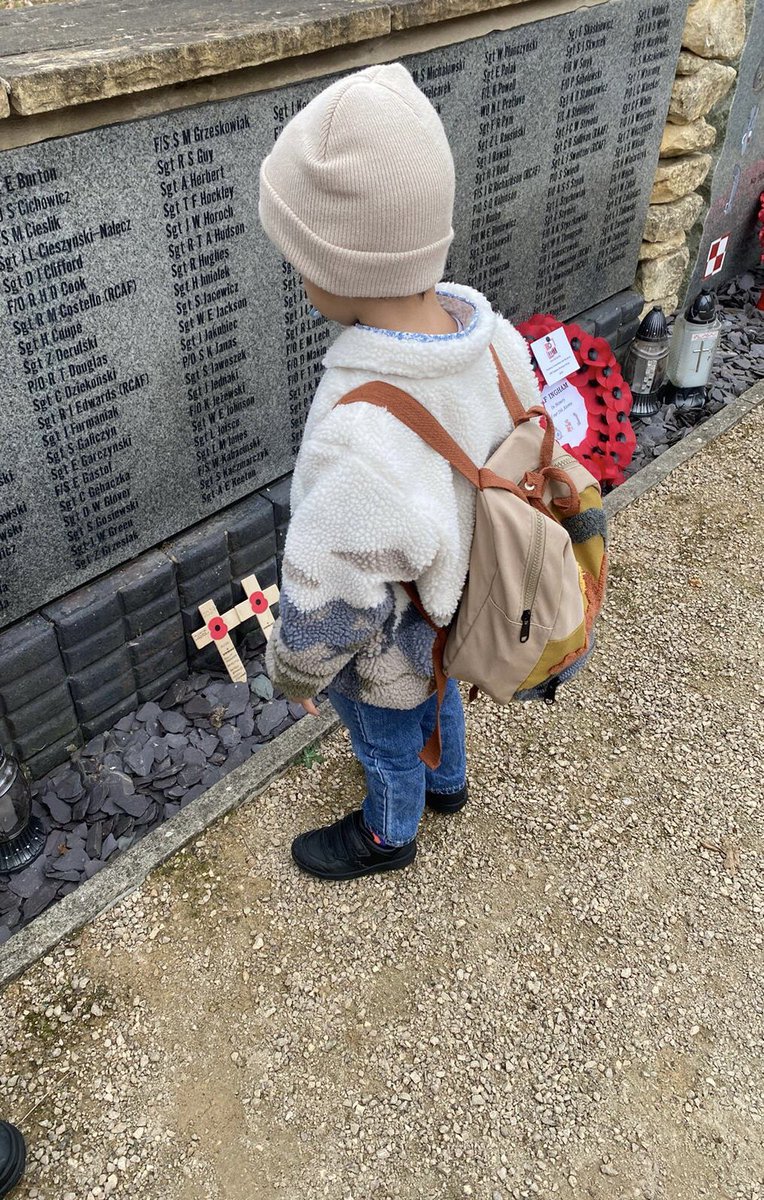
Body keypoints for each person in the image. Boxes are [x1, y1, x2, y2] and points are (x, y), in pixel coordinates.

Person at [258, 63, 541, 880]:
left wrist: (293, 671)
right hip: (466, 606)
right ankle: (448, 781)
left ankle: (391, 832)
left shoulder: (359, 430)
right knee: (444, 694)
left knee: (386, 737)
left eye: (300, 256)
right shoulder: (488, 337)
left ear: (336, 268)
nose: (299, 272)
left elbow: (337, 591)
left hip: (394, 644)